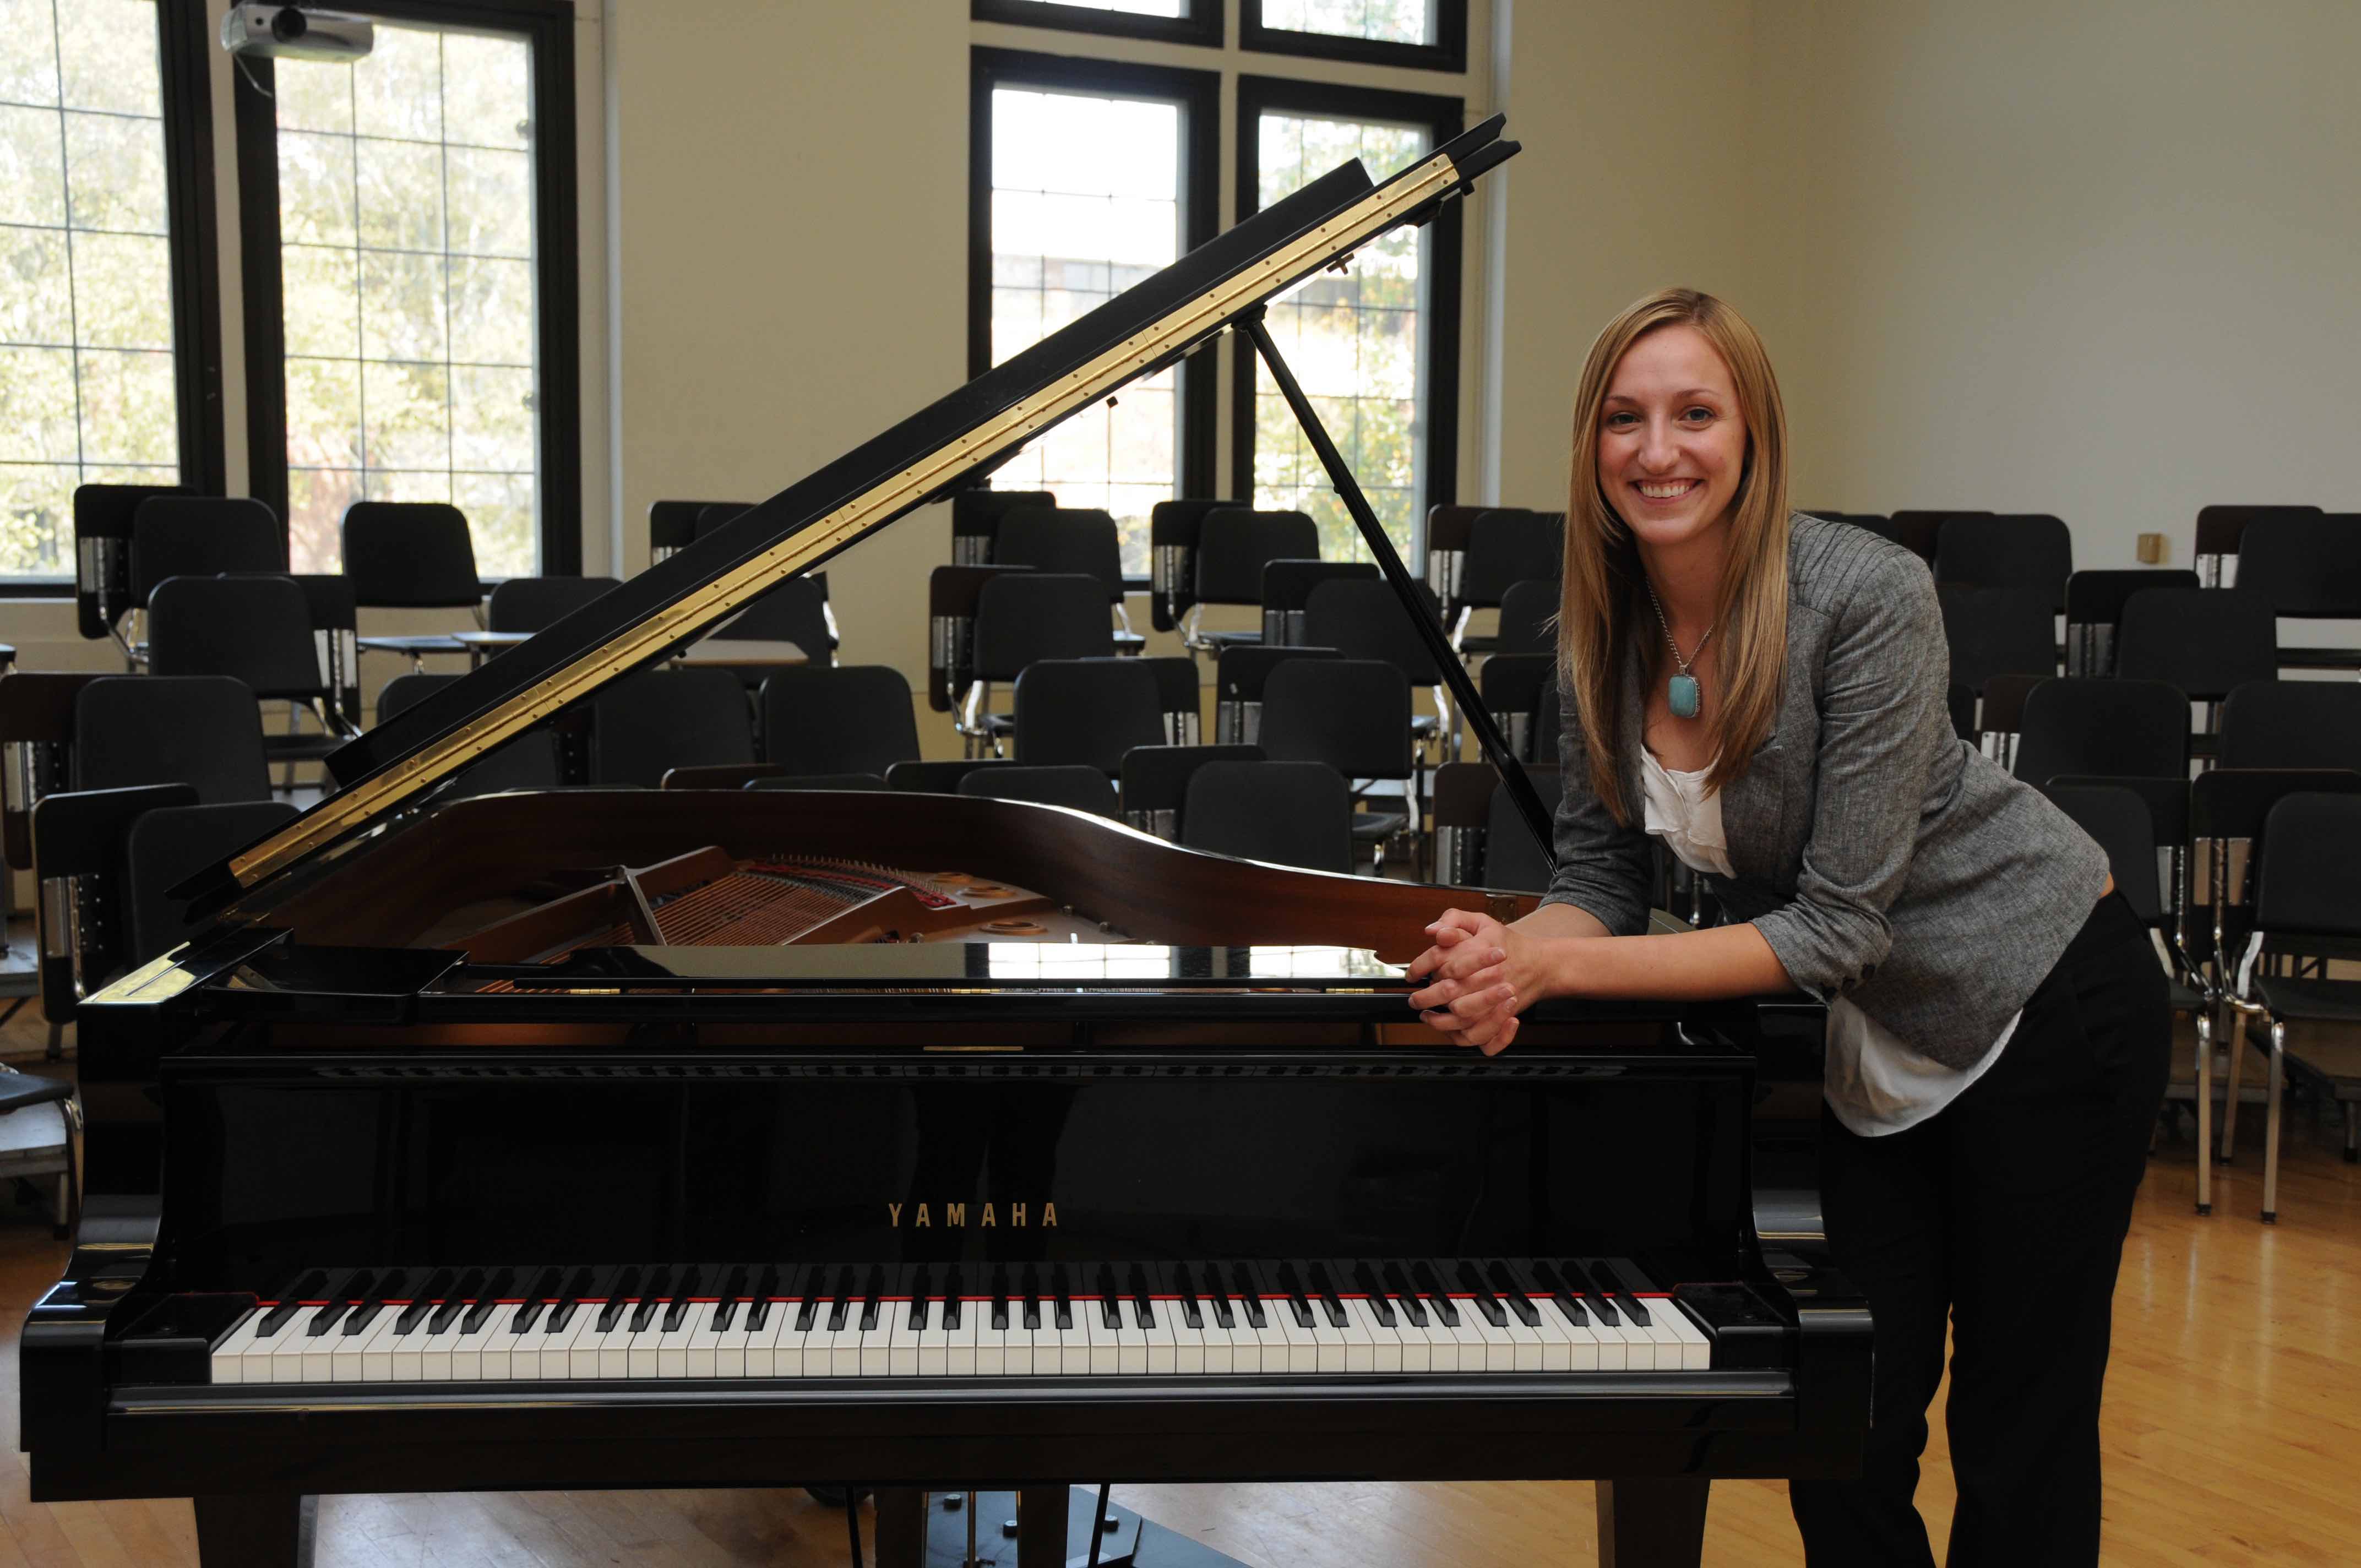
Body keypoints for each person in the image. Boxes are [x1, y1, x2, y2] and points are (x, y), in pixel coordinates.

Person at [1403, 287, 2170, 1566]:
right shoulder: (1596, 635)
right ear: (1589, 448)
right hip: (1877, 1038)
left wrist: (1556, 959)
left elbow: (1832, 928)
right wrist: (1508, 956)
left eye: (1693, 413)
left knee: (2013, 1422)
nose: (1658, 451)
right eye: (1623, 419)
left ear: (1751, 433)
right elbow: (1595, 873)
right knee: (1845, 1423)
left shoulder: (1865, 595)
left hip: (2047, 1001)